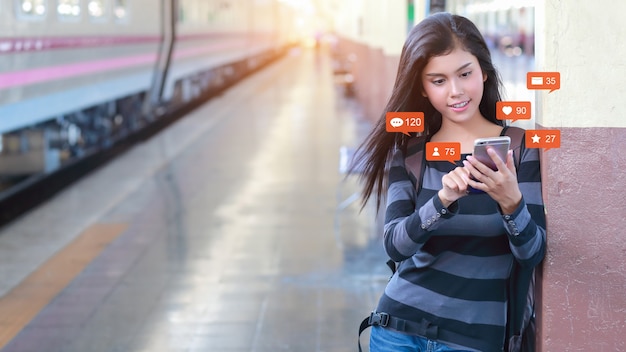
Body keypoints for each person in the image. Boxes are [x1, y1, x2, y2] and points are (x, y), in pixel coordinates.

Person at [352, 13, 546, 352]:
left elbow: (532, 253)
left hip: (473, 341)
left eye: (465, 74)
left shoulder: (519, 148)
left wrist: (511, 202)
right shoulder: (411, 151)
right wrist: (440, 201)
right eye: (438, 80)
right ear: (423, 89)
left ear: (484, 71)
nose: (456, 91)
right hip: (398, 330)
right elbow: (395, 246)